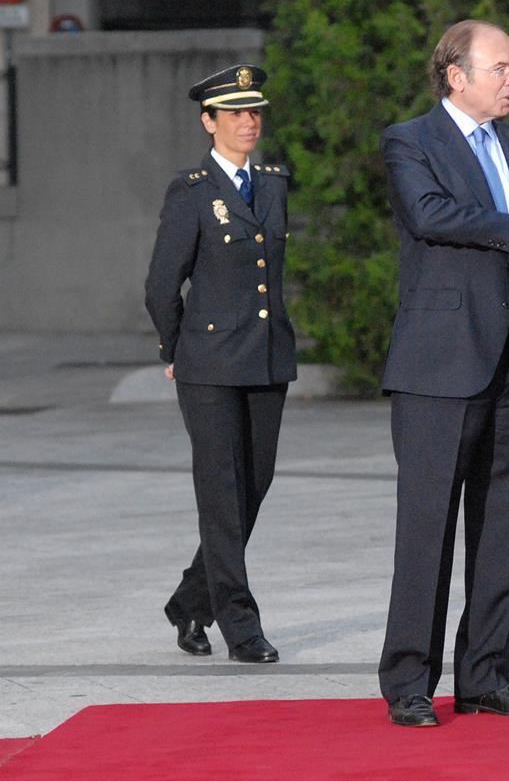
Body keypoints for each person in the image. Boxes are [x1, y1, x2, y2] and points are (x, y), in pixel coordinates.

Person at [377, 20, 509, 728]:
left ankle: (486, 676)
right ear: (455, 75)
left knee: (501, 528)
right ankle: (408, 683)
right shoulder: (411, 140)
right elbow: (429, 215)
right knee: (427, 528)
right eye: (501, 68)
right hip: (438, 365)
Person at [145, 64, 295, 664]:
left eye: (254, 111)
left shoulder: (276, 182)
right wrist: (174, 349)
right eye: (234, 113)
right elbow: (161, 285)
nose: (248, 122)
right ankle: (241, 625)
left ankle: (188, 600)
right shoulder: (190, 191)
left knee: (252, 487)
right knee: (220, 492)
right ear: (209, 122)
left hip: (265, 359)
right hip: (207, 364)